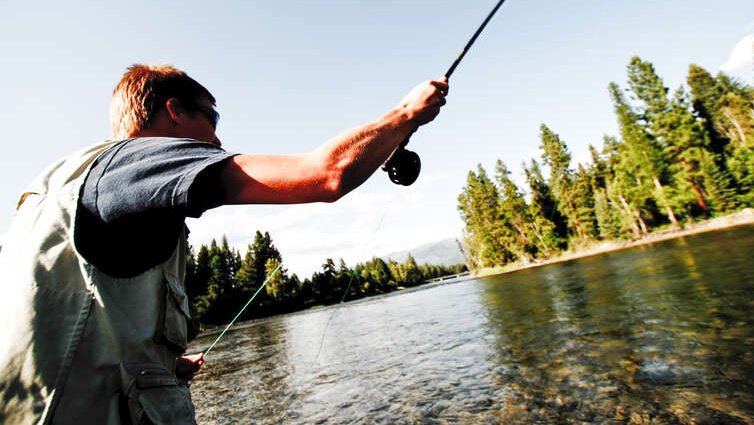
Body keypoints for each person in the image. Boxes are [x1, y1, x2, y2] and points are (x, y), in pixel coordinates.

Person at [0, 64, 448, 424]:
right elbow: (326, 174)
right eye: (211, 118)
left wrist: (161, 365)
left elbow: (68, 325)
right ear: (173, 111)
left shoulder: (65, 183)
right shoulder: (142, 159)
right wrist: (404, 114)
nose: (217, 138)